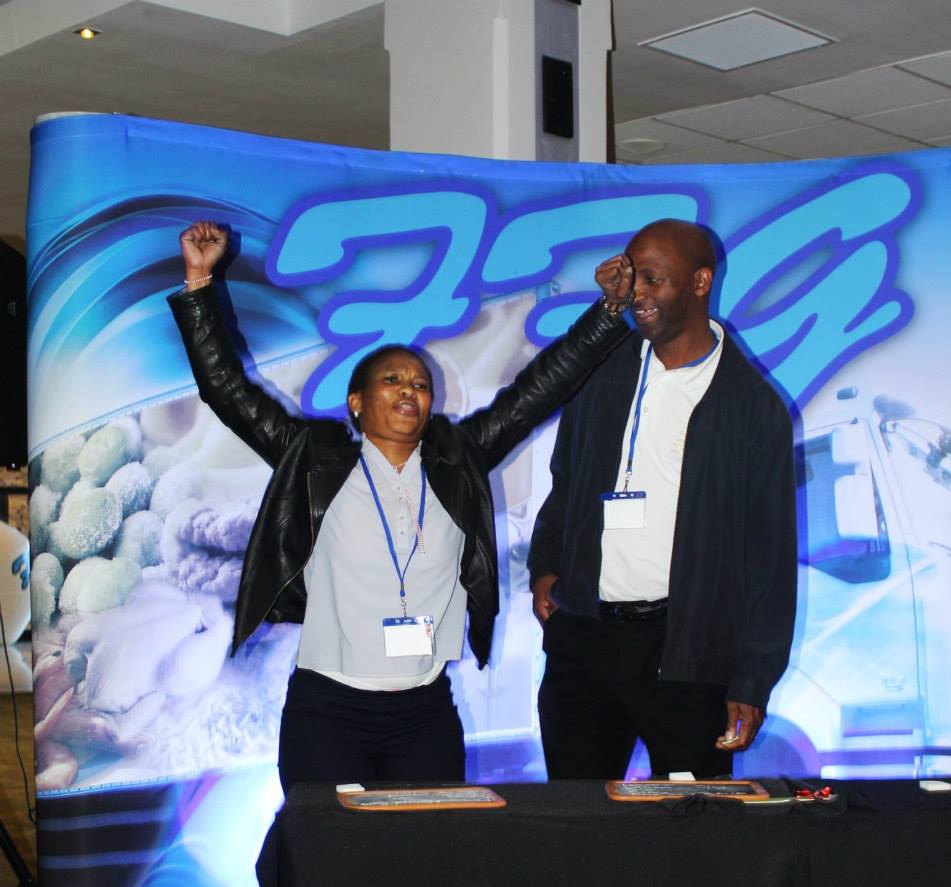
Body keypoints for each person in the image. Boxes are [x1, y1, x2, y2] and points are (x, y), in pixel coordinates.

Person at [169, 221, 632, 789]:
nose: (409, 390)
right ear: (356, 402)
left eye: (420, 383)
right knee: (329, 843)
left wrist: (608, 312)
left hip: (424, 714)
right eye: (391, 380)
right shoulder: (312, 458)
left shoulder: (459, 458)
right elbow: (226, 390)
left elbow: (537, 392)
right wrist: (200, 282)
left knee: (421, 843)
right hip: (328, 711)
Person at [528, 218, 797, 780]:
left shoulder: (752, 406)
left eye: (653, 280)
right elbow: (565, 481)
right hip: (585, 640)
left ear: (700, 282)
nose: (638, 295)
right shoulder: (601, 371)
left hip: (688, 652)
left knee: (692, 821)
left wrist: (752, 680)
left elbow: (769, 559)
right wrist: (546, 567)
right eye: (632, 279)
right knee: (574, 818)